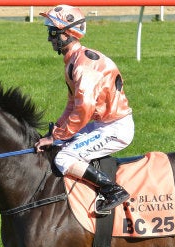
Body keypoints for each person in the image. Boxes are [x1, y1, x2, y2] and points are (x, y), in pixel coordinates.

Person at [35, 4, 135, 215]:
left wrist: (59, 136)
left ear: (67, 33)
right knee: (60, 145)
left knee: (63, 158)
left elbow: (84, 110)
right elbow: (72, 104)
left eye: (52, 32)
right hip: (104, 123)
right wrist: (56, 133)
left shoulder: (82, 66)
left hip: (115, 128)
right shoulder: (73, 60)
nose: (49, 38)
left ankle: (113, 190)